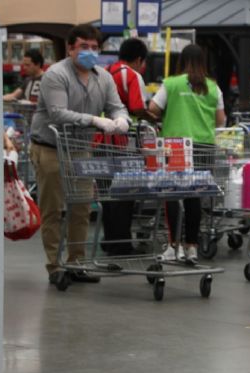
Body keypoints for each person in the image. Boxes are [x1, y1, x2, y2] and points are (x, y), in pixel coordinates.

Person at [30, 23, 130, 284]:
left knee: (82, 207)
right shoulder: (56, 75)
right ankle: (54, 265)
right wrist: (95, 121)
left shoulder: (103, 77)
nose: (89, 52)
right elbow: (58, 113)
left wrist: (121, 120)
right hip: (50, 147)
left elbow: (117, 106)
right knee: (53, 209)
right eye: (83, 47)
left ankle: (77, 262)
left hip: (81, 150)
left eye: (94, 48)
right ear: (70, 48)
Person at [148, 44, 226, 264]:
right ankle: (191, 247)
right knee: (195, 196)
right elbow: (221, 120)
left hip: (176, 147)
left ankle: (174, 246)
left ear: (180, 61)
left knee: (172, 194)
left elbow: (153, 108)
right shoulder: (213, 87)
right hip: (205, 147)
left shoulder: (171, 83)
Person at [102, 37, 153, 256]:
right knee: (125, 192)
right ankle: (122, 245)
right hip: (122, 142)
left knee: (106, 193)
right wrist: (155, 117)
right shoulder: (132, 75)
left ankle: (109, 240)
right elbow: (136, 107)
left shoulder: (104, 71)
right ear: (139, 59)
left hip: (98, 138)